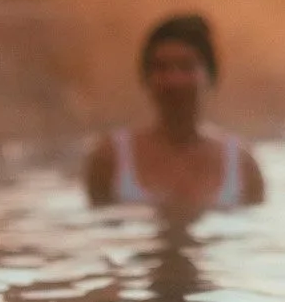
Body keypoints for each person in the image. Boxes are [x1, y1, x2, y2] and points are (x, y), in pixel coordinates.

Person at [84, 14, 264, 214]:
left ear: (210, 76)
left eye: (186, 66)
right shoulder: (110, 158)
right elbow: (97, 232)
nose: (173, 80)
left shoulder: (242, 163)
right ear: (146, 77)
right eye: (161, 68)